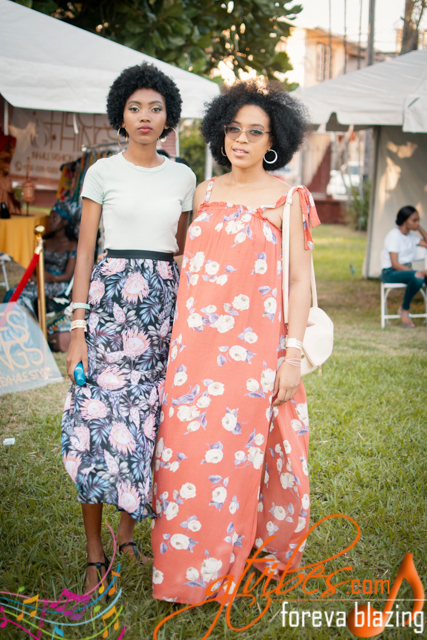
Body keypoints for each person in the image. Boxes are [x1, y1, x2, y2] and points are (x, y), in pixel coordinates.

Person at [151, 80, 320, 603]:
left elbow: (299, 282)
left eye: (255, 132)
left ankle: (239, 559)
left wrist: (291, 356)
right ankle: (184, 570)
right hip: (192, 351)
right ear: (220, 132)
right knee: (184, 455)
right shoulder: (204, 193)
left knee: (238, 459)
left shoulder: (288, 198)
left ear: (274, 141)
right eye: (233, 129)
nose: (241, 139)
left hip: (253, 353)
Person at [61, 62, 196, 594]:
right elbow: (85, 252)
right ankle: (94, 552)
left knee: (144, 425)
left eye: (155, 108)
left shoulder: (184, 177)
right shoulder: (101, 173)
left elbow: (184, 249)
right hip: (109, 306)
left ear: (168, 118)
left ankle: (127, 538)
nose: (145, 116)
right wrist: (76, 329)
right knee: (97, 420)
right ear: (120, 115)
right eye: (135, 107)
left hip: (162, 308)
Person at [4, 202, 77, 316]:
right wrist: (40, 277)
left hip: (58, 282)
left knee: (24, 296)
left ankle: (24, 324)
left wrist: (51, 278)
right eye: (49, 218)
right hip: (40, 278)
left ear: (65, 222)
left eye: (55, 218)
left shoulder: (72, 245)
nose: (50, 222)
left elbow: (68, 275)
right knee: (12, 293)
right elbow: (36, 264)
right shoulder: (44, 241)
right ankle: (9, 323)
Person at [381, 205, 427, 328]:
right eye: (414, 220)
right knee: (418, 276)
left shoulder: (412, 237)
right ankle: (404, 309)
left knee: (420, 277)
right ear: (405, 221)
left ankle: (404, 309)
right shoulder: (394, 236)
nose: (417, 223)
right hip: (390, 273)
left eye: (418, 220)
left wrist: (419, 228)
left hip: (407, 273)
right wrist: (415, 272)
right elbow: (395, 264)